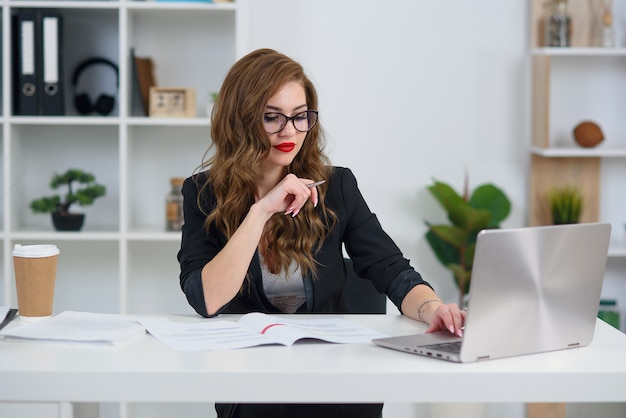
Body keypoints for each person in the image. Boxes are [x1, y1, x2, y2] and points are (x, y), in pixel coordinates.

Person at [177, 48, 465, 418]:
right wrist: (261, 210)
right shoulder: (203, 194)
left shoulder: (336, 186)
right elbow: (206, 299)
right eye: (272, 117)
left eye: (300, 117)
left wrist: (433, 309)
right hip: (255, 386)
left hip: (333, 381)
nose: (290, 131)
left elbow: (391, 269)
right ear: (241, 119)